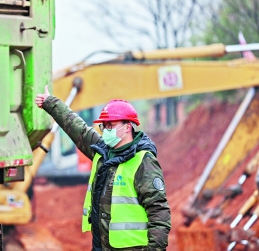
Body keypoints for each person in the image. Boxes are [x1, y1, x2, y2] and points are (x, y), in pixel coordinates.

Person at [35, 85, 171, 251]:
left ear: (127, 126)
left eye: (111, 125)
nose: (106, 130)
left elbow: (158, 211)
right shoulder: (103, 151)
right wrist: (51, 103)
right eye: (104, 126)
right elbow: (78, 128)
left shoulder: (143, 161)